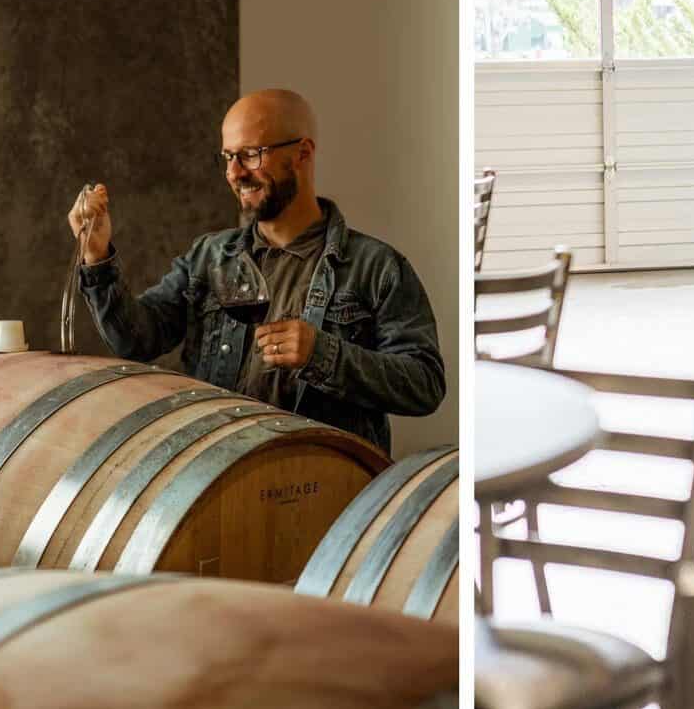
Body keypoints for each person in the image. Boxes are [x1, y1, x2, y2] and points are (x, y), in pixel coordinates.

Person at [70, 88, 445, 453]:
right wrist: (97, 254)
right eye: (228, 157)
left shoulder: (376, 267)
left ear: (303, 153)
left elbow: (425, 384)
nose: (234, 173)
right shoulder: (209, 256)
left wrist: (324, 355)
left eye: (250, 155)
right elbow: (135, 340)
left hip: (334, 490)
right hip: (222, 480)